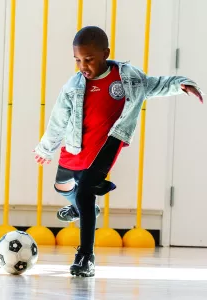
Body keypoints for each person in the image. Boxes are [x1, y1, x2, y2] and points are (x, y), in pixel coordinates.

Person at [33, 26, 203, 277]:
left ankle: (86, 257)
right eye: (78, 60)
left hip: (108, 144)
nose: (83, 66)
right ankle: (82, 208)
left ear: (105, 54)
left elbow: (154, 85)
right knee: (62, 187)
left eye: (89, 59)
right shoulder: (73, 86)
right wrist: (46, 148)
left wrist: (183, 84)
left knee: (85, 192)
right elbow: (58, 119)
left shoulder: (127, 78)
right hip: (75, 144)